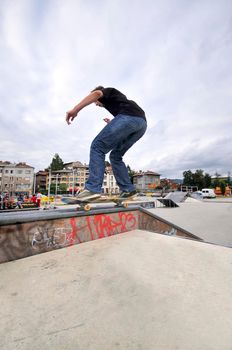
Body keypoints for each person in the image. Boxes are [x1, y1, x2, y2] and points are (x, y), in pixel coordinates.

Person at [66, 86, 147, 201]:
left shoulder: (106, 92)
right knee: (115, 156)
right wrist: (113, 123)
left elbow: (97, 94)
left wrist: (75, 110)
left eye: (95, 102)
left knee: (97, 147)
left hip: (129, 118)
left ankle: (92, 189)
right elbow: (125, 121)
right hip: (141, 125)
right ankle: (128, 190)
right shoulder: (118, 101)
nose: (96, 104)